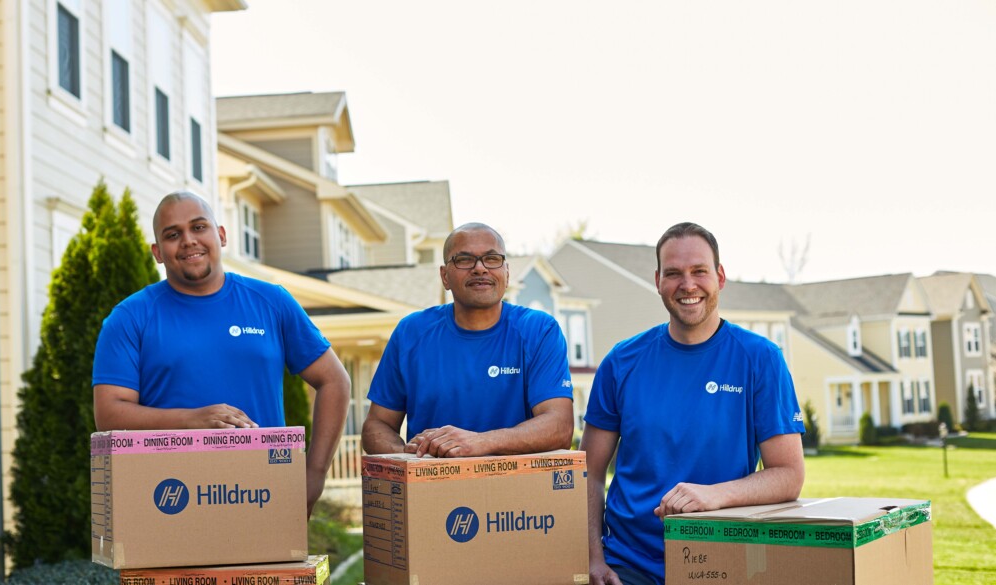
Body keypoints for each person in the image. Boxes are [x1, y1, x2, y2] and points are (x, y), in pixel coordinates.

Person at [93, 191, 350, 516]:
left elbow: (334, 382)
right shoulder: (130, 317)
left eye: (199, 227)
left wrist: (314, 473)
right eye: (173, 235)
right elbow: (109, 413)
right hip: (169, 500)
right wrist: (192, 419)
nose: (188, 241)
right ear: (158, 252)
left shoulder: (271, 302)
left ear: (222, 235)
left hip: (265, 495)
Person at [582, 222, 805, 585]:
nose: (688, 285)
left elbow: (789, 475)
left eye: (699, 271)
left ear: (719, 276)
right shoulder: (622, 361)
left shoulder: (761, 359)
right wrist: (593, 559)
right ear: (657, 281)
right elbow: (588, 473)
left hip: (721, 560)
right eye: (673, 273)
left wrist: (713, 496)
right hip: (627, 567)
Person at [361, 222, 574, 458]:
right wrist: (409, 456)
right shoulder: (411, 333)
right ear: (445, 276)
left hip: (517, 490)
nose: (480, 268)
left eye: (492, 259)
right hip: (432, 489)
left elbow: (560, 427)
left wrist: (480, 443)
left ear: (506, 272)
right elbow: (376, 426)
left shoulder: (538, 330)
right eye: (464, 259)